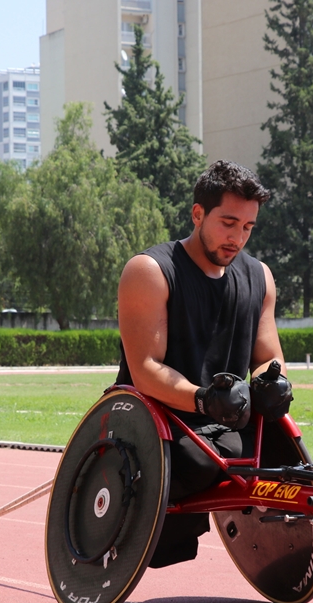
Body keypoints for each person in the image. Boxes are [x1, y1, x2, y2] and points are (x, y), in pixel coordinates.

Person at [116, 160, 293, 568]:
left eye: (248, 227)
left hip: (227, 420)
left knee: (286, 465)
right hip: (160, 420)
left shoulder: (260, 277)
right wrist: (203, 400)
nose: (237, 238)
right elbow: (144, 368)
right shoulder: (150, 271)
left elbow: (268, 356)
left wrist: (274, 380)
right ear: (198, 214)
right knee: (202, 460)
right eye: (228, 223)